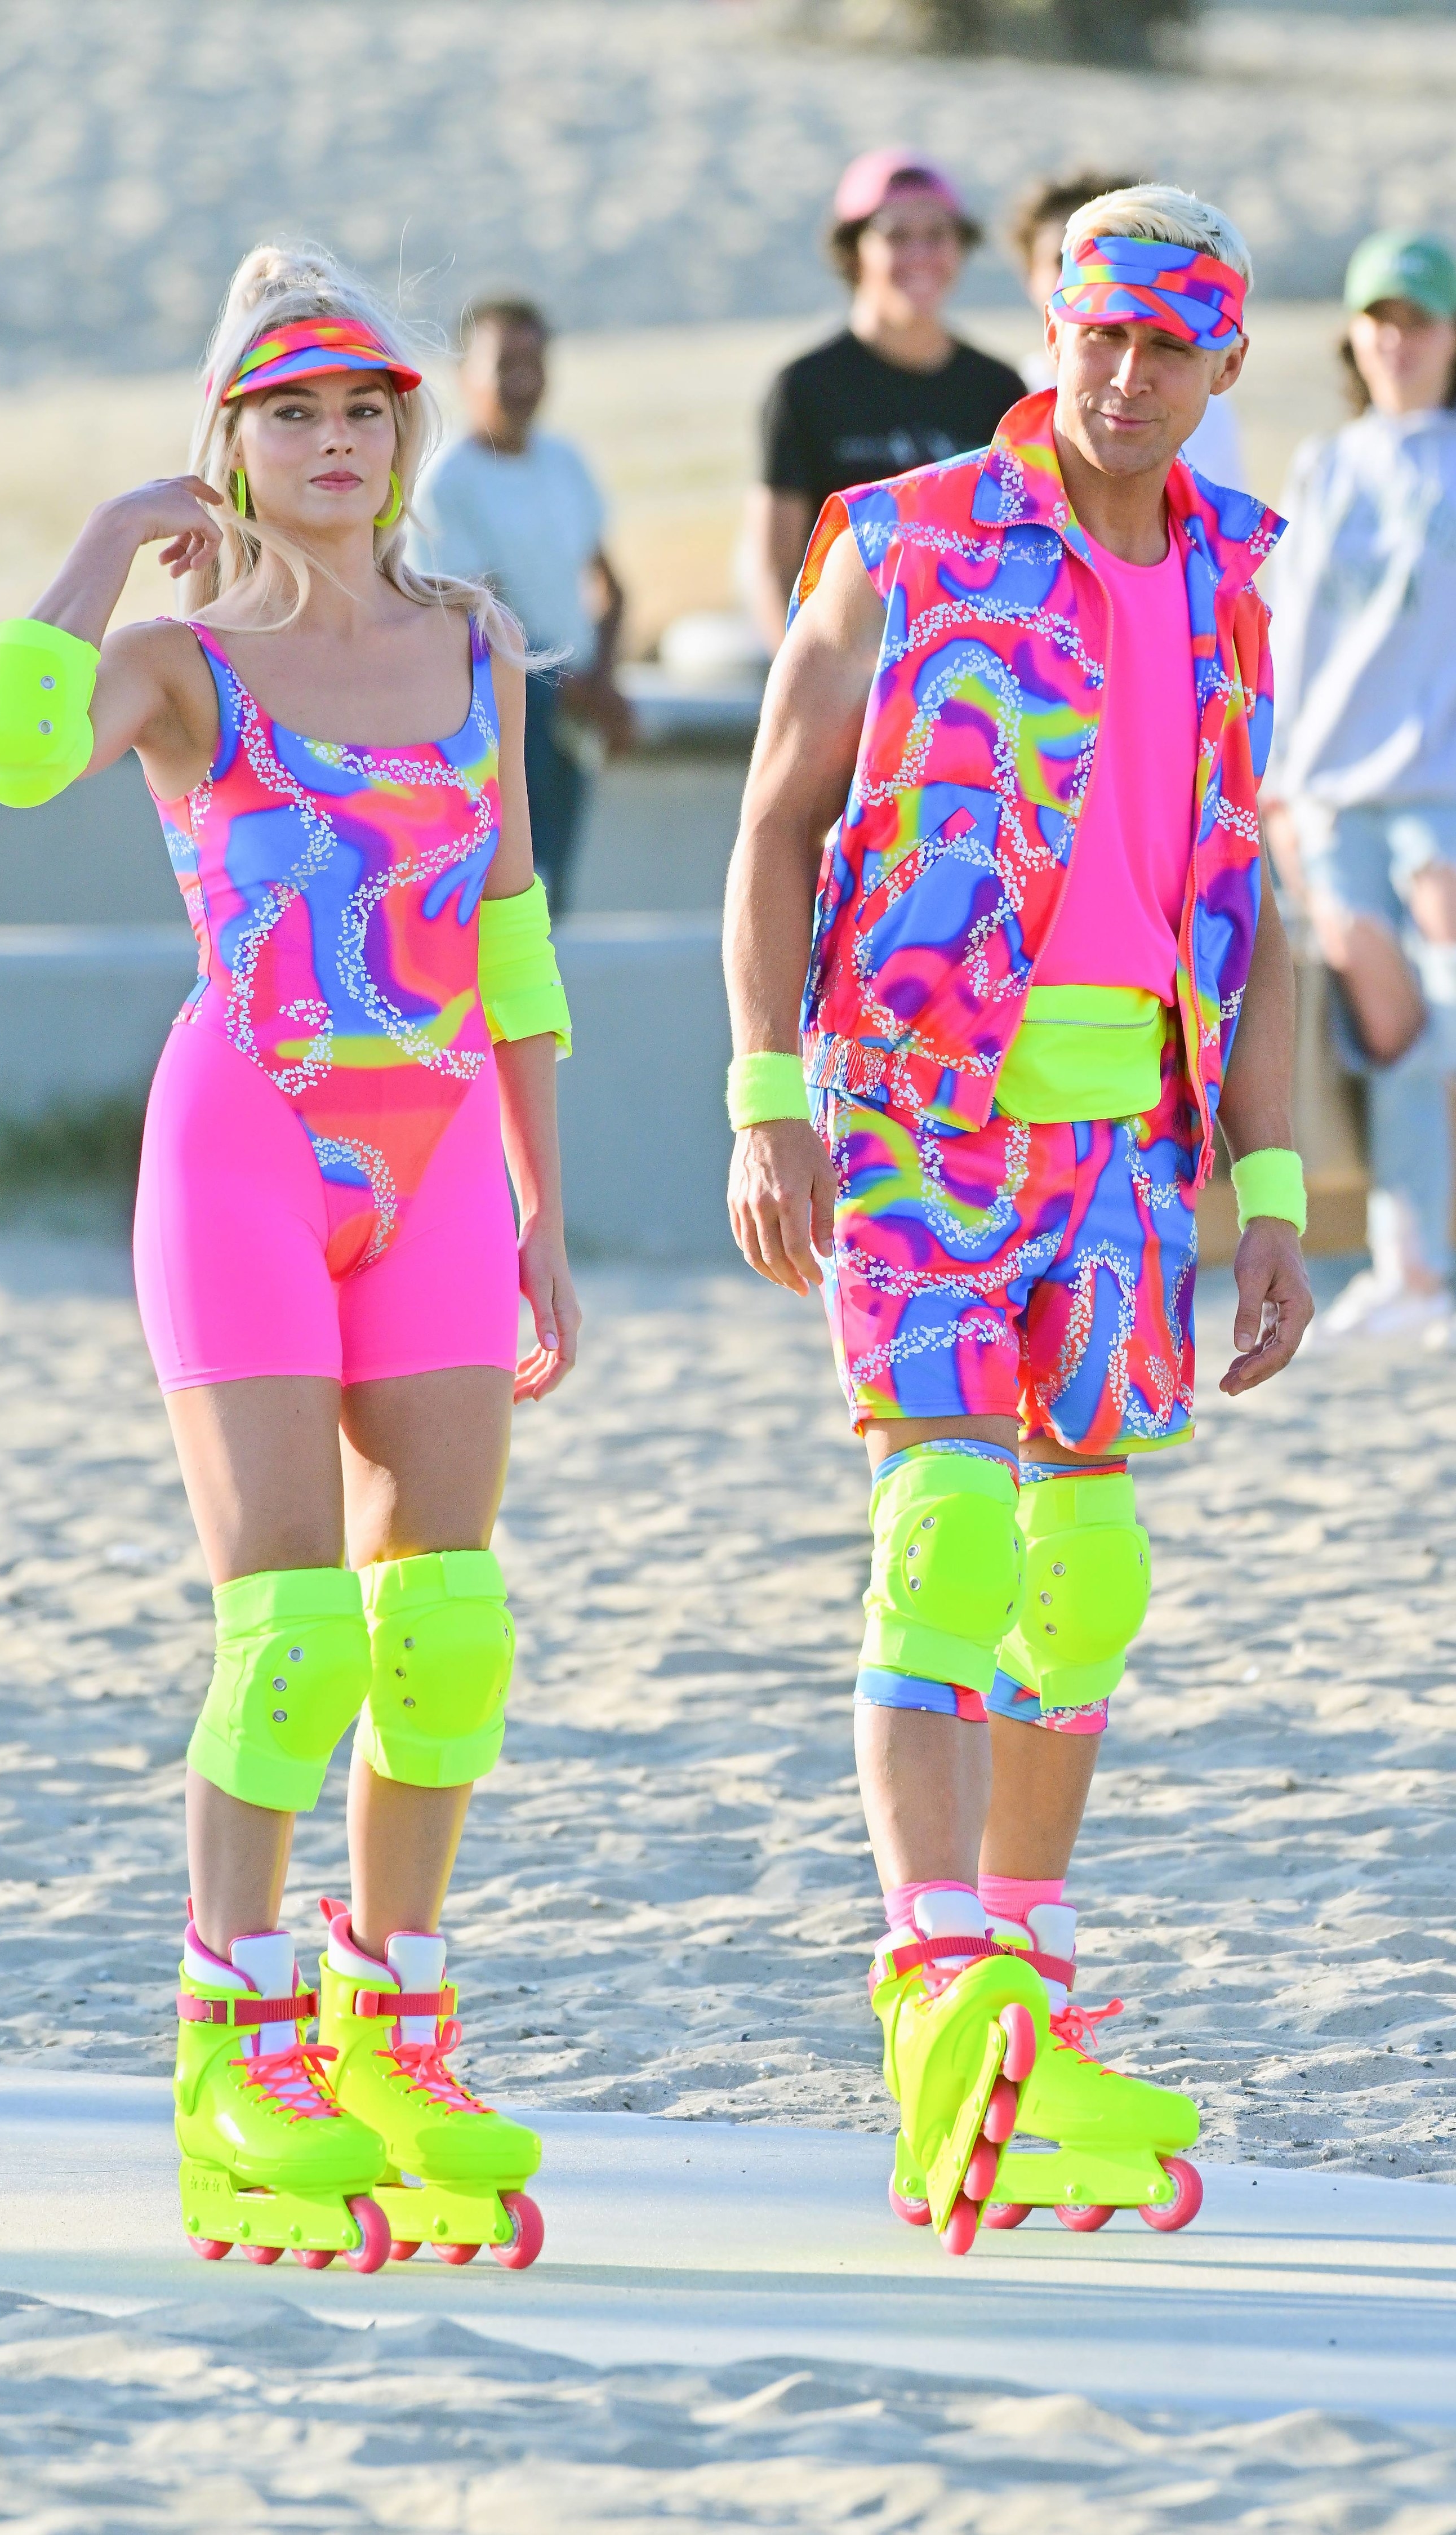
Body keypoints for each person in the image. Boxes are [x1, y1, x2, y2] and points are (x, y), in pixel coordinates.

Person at [0, 244, 579, 2272]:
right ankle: (231, 2038)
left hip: (438, 1165)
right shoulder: (179, 658)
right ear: (230, 438)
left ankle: (387, 2017)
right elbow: (5, 747)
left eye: (360, 410)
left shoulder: (474, 636)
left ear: (403, 434)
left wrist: (539, 1213)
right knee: (293, 1632)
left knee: (446, 1627)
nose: (332, 442)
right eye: (287, 411)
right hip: (244, 1148)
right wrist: (112, 539)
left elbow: (505, 932)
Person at [723, 185, 1311, 2254]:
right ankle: (935, 2001)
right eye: (1092, 334)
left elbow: (1244, 902)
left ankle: (1029, 1992)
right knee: (947, 1528)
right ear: (1044, 331)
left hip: (1133, 1158)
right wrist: (761, 1103)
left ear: (1221, 369)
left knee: (1086, 1566)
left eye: (1166, 347)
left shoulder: (1239, 578)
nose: (1120, 373)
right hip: (910, 1125)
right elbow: (777, 822)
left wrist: (1265, 1192)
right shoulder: (904, 540)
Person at [1261, 229, 1456, 1346]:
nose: (1397, 340)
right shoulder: (1324, 466)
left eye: (1418, 318)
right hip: (1329, 793)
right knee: (1392, 1034)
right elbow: (1289, 636)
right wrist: (1278, 787)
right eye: (1378, 317)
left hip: (1439, 793)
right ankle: (1411, 1268)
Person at [746, 151, 1025, 659]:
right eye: (896, 236)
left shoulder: (1000, 389)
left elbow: (1022, 555)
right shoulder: (804, 387)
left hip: (969, 672)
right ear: (855, 251)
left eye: (938, 235)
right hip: (844, 670)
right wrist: (803, 683)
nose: (919, 254)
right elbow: (772, 566)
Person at [409, 298, 630, 913]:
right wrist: (577, 687)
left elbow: (611, 588)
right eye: (506, 365)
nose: (523, 381)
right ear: (465, 375)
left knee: (552, 892)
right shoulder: (447, 482)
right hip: (495, 719)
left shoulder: (566, 464)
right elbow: (484, 615)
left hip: (569, 712)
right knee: (504, 893)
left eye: (535, 363)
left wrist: (605, 682)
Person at [1009, 170, 1248, 492]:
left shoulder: (1226, 539)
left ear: (1229, 366)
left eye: (1171, 345)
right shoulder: (927, 527)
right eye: (1105, 334)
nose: (1129, 380)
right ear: (1054, 334)